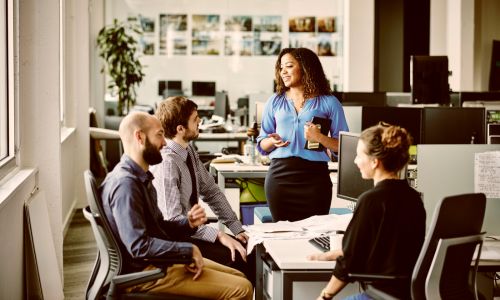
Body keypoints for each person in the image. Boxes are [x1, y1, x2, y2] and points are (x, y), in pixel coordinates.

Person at [100, 111, 252, 299]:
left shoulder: (139, 177)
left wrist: (187, 223)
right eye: (159, 135)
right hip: (146, 272)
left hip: (157, 262)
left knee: (239, 275)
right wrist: (187, 250)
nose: (164, 143)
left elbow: (157, 227)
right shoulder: (126, 184)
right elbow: (138, 246)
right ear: (139, 137)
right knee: (242, 288)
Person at [308, 123, 426, 300]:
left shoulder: (371, 200)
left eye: (358, 155)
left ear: (374, 162)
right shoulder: (414, 197)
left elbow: (349, 263)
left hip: (381, 295)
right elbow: (385, 247)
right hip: (407, 294)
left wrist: (325, 296)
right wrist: (333, 254)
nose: (355, 161)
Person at [151, 96, 254, 285]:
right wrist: (218, 235)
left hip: (193, 234)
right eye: (195, 119)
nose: (200, 122)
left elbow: (212, 192)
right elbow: (173, 221)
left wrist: (236, 228)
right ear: (180, 129)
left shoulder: (188, 152)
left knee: (249, 250)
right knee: (241, 259)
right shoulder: (167, 163)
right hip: (179, 243)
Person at [256, 47, 349, 222]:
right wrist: (271, 141)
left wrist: (320, 138)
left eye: (289, 66)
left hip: (315, 180)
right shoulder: (275, 101)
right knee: (282, 235)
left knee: (316, 235)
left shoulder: (329, 102)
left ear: (306, 68)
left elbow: (344, 147)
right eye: (281, 67)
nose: (283, 71)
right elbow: (261, 143)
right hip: (279, 178)